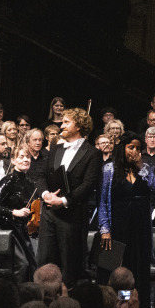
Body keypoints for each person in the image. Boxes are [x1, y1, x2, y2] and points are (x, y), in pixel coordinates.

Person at [33, 108, 101, 288]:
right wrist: (45, 194)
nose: (61, 125)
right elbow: (41, 175)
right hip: (49, 213)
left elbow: (88, 184)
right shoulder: (56, 148)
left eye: (66, 122)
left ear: (78, 126)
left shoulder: (92, 153)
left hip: (71, 216)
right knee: (45, 261)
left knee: (68, 264)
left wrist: (63, 201)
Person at [99, 131, 155, 308]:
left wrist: (141, 166)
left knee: (139, 272)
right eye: (130, 147)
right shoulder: (109, 169)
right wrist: (105, 229)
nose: (134, 151)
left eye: (137, 148)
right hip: (119, 228)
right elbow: (102, 201)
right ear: (122, 148)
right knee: (120, 272)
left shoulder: (145, 169)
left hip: (141, 230)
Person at [0, 145, 39, 282]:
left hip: (23, 229)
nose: (25, 160)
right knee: (22, 264)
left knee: (33, 264)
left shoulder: (31, 183)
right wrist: (14, 212)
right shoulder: (7, 181)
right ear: (13, 160)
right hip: (8, 228)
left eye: (28, 157)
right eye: (21, 157)